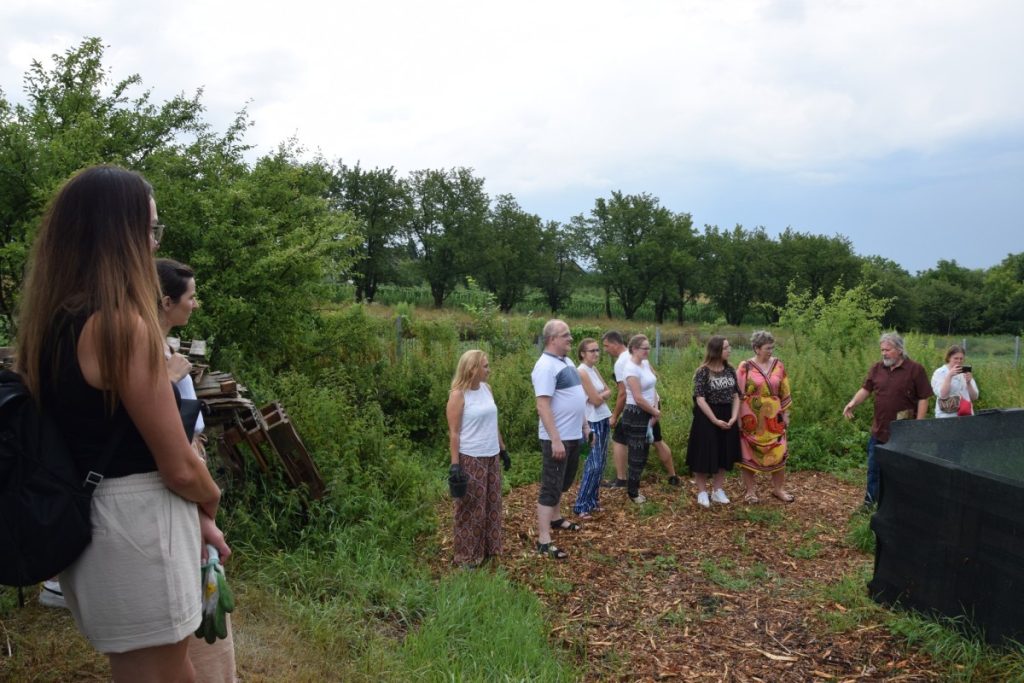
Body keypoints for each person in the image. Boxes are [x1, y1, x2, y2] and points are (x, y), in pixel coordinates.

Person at [16, 165, 224, 682]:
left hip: (98, 522)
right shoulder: (121, 327)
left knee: (167, 670)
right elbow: (177, 464)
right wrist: (210, 498)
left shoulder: (52, 321)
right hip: (137, 527)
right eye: (150, 230)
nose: (154, 245)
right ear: (119, 234)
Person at [157, 258, 237, 683]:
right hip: (181, 475)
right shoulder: (153, 356)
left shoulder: (168, 349)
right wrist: (208, 503)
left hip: (192, 462)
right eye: (190, 297)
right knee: (191, 594)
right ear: (167, 301)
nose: (195, 304)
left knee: (203, 578)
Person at [843, 332, 933, 507]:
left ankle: (898, 505)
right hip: (880, 430)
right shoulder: (877, 368)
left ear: (899, 350)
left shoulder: (915, 369)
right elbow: (866, 389)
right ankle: (870, 502)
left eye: (888, 350)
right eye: (882, 350)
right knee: (874, 469)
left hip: (904, 432)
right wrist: (853, 403)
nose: (884, 353)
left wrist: (919, 425)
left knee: (900, 470)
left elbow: (924, 397)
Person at [532, 319, 589, 560]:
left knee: (564, 482)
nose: (571, 339)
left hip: (573, 434)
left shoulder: (566, 361)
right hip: (558, 438)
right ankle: (543, 539)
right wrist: (555, 439)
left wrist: (585, 425)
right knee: (551, 486)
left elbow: (578, 396)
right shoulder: (545, 366)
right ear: (551, 339)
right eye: (565, 335)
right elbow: (542, 405)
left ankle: (556, 519)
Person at [446, 350, 506, 567]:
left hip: (491, 456)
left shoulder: (487, 389)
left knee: (491, 504)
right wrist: (455, 465)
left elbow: (493, 422)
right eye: (486, 366)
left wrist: (503, 449)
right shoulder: (458, 395)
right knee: (471, 507)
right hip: (471, 457)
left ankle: (489, 549)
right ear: (473, 369)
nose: (489, 370)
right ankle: (466, 557)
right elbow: (454, 432)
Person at [601, 331, 680, 489]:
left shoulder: (621, 363)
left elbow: (623, 393)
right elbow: (652, 377)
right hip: (652, 403)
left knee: (619, 439)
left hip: (638, 408)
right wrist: (655, 407)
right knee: (657, 440)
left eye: (606, 346)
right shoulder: (641, 359)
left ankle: (622, 480)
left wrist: (615, 416)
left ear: (616, 344)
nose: (605, 350)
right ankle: (673, 476)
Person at [736, 331, 794, 503]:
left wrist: (786, 415)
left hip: (774, 419)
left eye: (772, 347)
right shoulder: (745, 366)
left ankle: (778, 490)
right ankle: (750, 492)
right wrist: (738, 418)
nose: (771, 351)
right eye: (767, 348)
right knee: (748, 453)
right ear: (756, 348)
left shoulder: (779, 365)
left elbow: (785, 391)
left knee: (779, 450)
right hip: (750, 418)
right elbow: (738, 394)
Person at [685, 336, 740, 508]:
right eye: (726, 347)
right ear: (716, 350)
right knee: (704, 453)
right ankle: (702, 492)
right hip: (707, 417)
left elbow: (737, 395)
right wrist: (715, 420)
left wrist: (733, 416)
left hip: (727, 413)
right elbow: (700, 399)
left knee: (724, 452)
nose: (729, 350)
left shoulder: (730, 370)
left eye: (729, 347)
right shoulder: (703, 372)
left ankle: (717, 490)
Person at [620, 334, 662, 504]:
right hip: (635, 414)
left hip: (648, 411)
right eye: (644, 348)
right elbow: (637, 397)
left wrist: (656, 407)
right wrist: (654, 411)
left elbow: (652, 385)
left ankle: (635, 487)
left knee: (644, 452)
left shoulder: (644, 363)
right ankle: (632, 492)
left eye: (649, 348)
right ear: (634, 349)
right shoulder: (630, 369)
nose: (648, 351)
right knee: (636, 455)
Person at [573, 338, 612, 518]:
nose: (596, 353)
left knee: (602, 463)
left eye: (597, 350)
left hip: (603, 417)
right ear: (582, 353)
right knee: (593, 464)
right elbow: (595, 400)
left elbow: (608, 391)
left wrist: (598, 396)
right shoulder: (581, 371)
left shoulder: (593, 369)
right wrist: (597, 396)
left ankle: (593, 500)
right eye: (592, 351)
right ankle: (581, 504)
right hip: (591, 421)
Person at [931, 345, 979, 418]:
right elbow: (942, 395)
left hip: (966, 415)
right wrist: (949, 376)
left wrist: (969, 383)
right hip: (946, 416)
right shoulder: (940, 372)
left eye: (961, 358)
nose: (959, 361)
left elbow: (974, 397)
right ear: (949, 358)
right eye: (956, 358)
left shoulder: (965, 372)